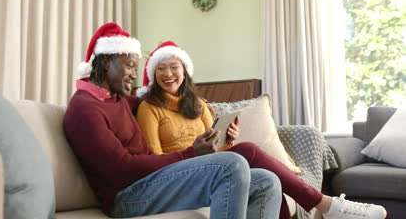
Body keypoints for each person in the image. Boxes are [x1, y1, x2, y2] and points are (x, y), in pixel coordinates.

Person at [136, 41, 388, 219]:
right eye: (161, 68)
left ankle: (329, 207)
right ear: (153, 74)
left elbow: (213, 154)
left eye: (174, 67)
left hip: (208, 171)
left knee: (267, 179)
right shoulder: (149, 108)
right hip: (176, 180)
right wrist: (198, 153)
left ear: (185, 71)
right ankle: (327, 205)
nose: (168, 74)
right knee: (248, 151)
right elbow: (157, 163)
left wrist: (227, 143)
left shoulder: (198, 106)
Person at [64, 23, 283, 219]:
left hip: (152, 182)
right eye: (129, 66)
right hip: (127, 196)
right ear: (105, 64)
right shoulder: (85, 109)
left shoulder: (117, 98)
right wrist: (191, 153)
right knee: (231, 165)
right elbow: (121, 169)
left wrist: (201, 107)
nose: (134, 74)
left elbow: (157, 100)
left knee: (266, 182)